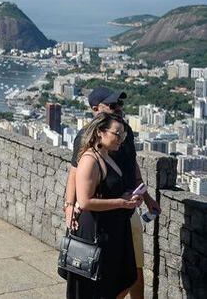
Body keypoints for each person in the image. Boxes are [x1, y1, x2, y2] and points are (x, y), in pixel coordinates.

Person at [63, 87, 161, 298]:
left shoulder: (123, 132)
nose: (119, 108)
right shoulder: (86, 140)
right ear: (96, 109)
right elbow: (74, 174)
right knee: (109, 272)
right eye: (112, 105)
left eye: (120, 104)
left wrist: (146, 196)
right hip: (106, 215)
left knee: (133, 270)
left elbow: (132, 165)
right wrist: (69, 207)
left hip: (125, 210)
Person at [67, 112, 142, 298]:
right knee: (98, 287)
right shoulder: (89, 159)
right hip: (96, 231)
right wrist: (122, 202)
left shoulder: (107, 156)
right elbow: (84, 201)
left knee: (123, 280)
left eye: (123, 135)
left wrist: (129, 196)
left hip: (112, 229)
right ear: (100, 132)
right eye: (117, 134)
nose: (121, 139)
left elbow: (108, 189)